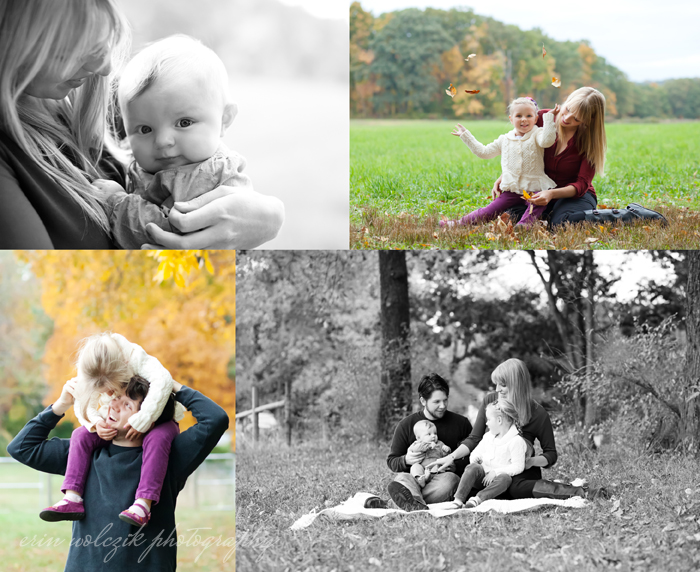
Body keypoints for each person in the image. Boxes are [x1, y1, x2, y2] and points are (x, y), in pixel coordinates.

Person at [0, 0, 283, 249]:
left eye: (100, 45)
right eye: (71, 50)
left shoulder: (118, 103)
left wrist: (270, 214)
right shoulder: (136, 111)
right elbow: (33, 298)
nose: (106, 68)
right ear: (13, 34)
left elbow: (195, 222)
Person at [7, 376, 229, 571]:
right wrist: (62, 403)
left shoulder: (171, 458)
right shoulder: (82, 454)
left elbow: (215, 419)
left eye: (127, 404)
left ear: (148, 419)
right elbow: (21, 447)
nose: (114, 405)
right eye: (116, 398)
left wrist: (168, 384)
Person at [95, 35, 251, 249]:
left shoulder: (208, 178)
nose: (162, 141)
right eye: (145, 129)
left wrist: (115, 203)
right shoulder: (151, 162)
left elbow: (166, 234)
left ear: (224, 119)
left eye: (184, 122)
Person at [39, 333, 186, 526]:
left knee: (157, 437)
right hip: (123, 421)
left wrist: (143, 418)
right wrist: (95, 422)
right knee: (81, 434)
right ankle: (72, 498)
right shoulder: (90, 369)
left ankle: (143, 504)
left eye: (110, 387)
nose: (108, 394)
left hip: (159, 416)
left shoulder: (136, 358)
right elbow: (83, 402)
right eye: (104, 391)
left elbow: (163, 381)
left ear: (120, 368)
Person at [429, 358, 589, 500]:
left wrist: (531, 461)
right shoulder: (491, 401)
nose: (497, 389)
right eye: (496, 384)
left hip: (520, 470)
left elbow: (551, 455)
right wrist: (451, 457)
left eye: (503, 385)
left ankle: (581, 492)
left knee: (513, 488)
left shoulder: (538, 413)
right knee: (475, 485)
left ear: (517, 385)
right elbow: (474, 438)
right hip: (492, 466)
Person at [440, 98, 561, 228]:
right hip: (512, 189)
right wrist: (466, 136)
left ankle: (524, 225)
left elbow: (547, 141)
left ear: (536, 119)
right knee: (489, 210)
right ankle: (459, 223)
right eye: (518, 116)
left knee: (537, 203)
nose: (524, 119)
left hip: (534, 187)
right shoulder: (504, 139)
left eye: (529, 116)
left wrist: (549, 118)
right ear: (511, 119)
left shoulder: (537, 134)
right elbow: (484, 152)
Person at [497, 87, 607, 227]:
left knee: (563, 223)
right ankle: (549, 214)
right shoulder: (543, 118)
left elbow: (582, 184)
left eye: (576, 118)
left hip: (570, 196)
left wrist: (551, 194)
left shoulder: (589, 141)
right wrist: (504, 175)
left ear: (588, 120)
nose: (566, 118)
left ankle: (620, 215)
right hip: (537, 189)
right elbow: (517, 147)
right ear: (566, 101)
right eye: (567, 109)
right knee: (511, 217)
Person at [387, 373, 472, 512]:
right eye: (436, 402)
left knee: (452, 480)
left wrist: (455, 465)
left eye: (445, 400)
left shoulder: (461, 423)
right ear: (423, 401)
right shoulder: (406, 425)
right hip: (416, 479)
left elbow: (474, 457)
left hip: (440, 480)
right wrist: (406, 460)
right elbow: (392, 461)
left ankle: (402, 502)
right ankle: (414, 500)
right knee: (402, 477)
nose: (442, 406)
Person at [447, 399, 527, 509]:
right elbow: (476, 452)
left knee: (505, 478)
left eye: (489, 419)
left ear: (499, 420)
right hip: (481, 476)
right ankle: (458, 500)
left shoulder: (516, 441)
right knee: (472, 467)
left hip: (497, 482)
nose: (486, 423)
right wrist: (475, 459)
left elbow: (518, 466)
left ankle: (478, 499)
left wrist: (495, 472)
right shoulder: (488, 436)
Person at [408, 420, 452, 488]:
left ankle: (430, 478)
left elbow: (445, 456)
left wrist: (446, 450)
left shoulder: (439, 443)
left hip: (435, 467)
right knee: (415, 467)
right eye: (429, 434)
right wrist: (427, 446)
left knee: (440, 466)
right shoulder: (417, 443)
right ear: (418, 438)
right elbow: (414, 449)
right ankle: (420, 479)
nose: (433, 436)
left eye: (435, 433)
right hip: (422, 468)